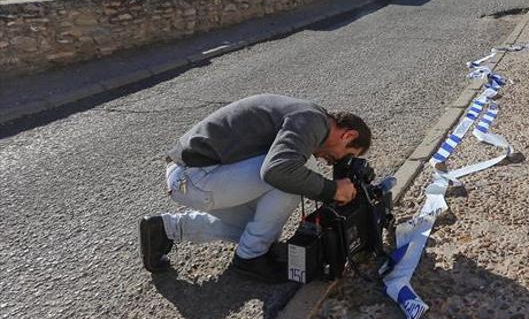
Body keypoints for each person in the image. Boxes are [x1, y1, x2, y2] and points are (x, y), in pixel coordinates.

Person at [139, 94, 371, 283]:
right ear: (348, 135)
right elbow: (278, 170)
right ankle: (250, 258)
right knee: (295, 170)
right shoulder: (313, 122)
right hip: (194, 177)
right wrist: (333, 190)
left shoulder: (308, 116)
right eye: (347, 155)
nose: (335, 163)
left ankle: (165, 228)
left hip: (192, 176)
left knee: (252, 228)